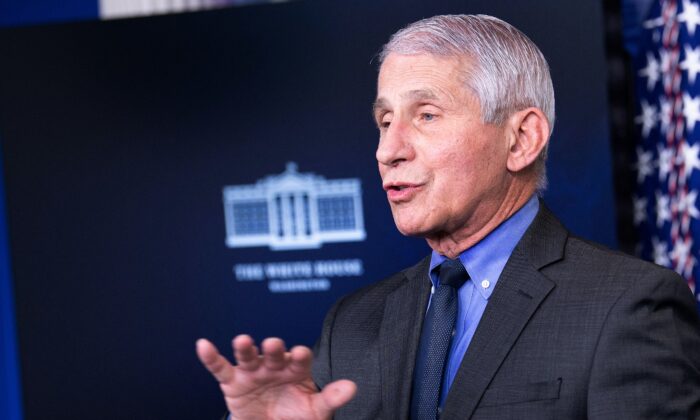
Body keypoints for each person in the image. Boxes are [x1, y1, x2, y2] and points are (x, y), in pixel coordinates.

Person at [196, 14, 700, 419]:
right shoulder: (352, 324)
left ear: (521, 139)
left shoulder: (630, 307)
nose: (387, 150)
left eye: (426, 115)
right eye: (385, 120)